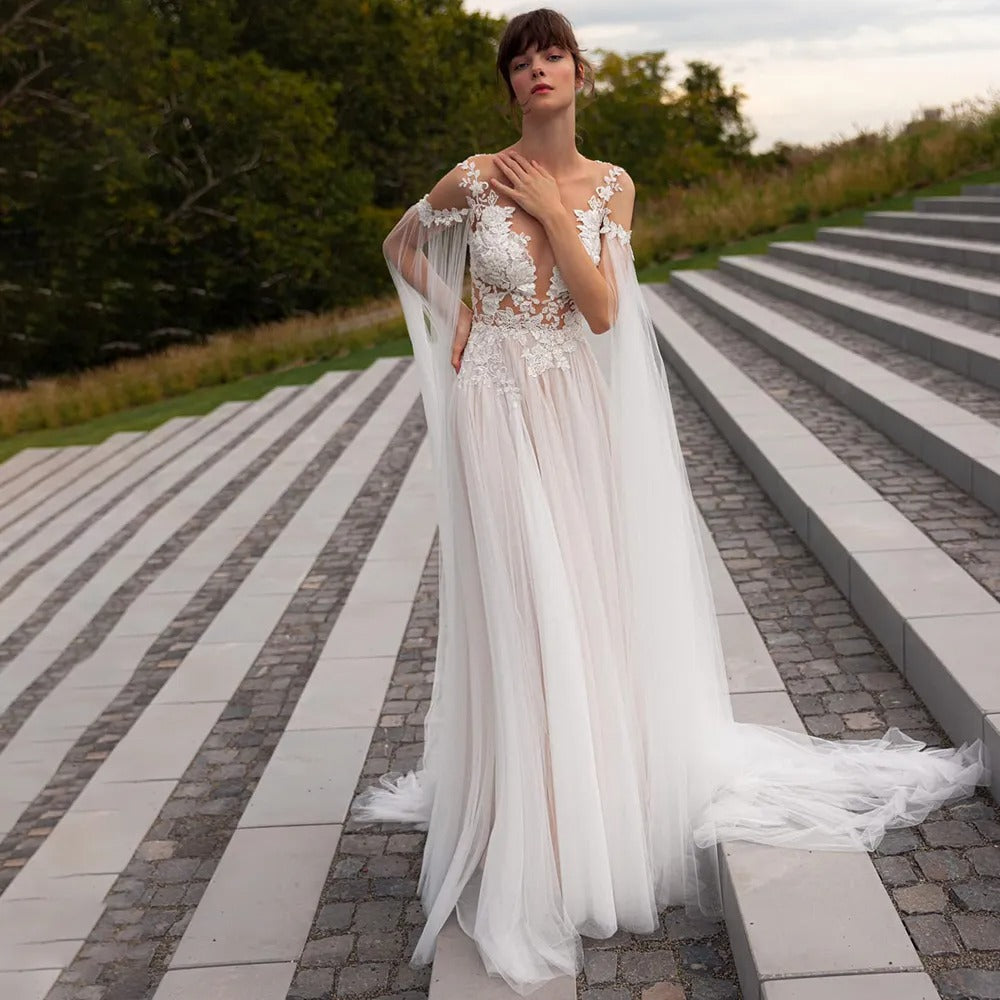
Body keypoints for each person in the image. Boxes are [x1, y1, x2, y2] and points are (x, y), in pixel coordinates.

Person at [349, 7, 990, 996]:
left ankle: (584, 793)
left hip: (570, 405)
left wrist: (558, 219)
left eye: (549, 53)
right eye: (518, 61)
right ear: (508, 83)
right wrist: (458, 313)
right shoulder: (473, 176)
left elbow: (603, 311)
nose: (535, 71)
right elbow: (402, 244)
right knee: (519, 594)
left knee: (582, 590)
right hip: (492, 407)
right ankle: (532, 813)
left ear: (578, 70)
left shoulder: (610, 186)